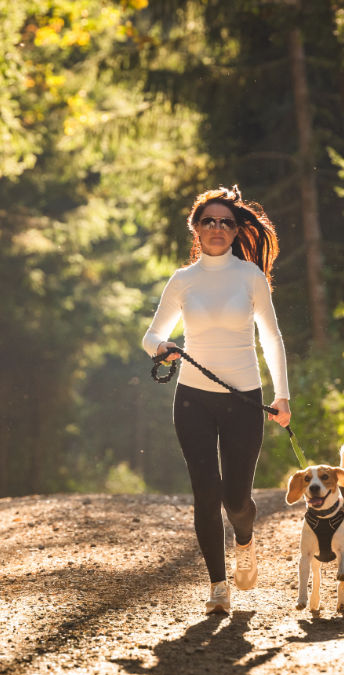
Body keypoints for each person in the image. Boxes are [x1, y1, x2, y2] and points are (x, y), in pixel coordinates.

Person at [142, 185, 291, 615]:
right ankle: (218, 587)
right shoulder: (183, 281)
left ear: (236, 228)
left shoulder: (250, 277)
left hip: (245, 400)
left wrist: (282, 395)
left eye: (226, 221)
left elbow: (272, 337)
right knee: (206, 494)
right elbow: (151, 335)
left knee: (237, 499)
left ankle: (245, 538)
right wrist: (163, 347)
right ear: (196, 228)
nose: (218, 228)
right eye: (209, 221)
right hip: (193, 400)